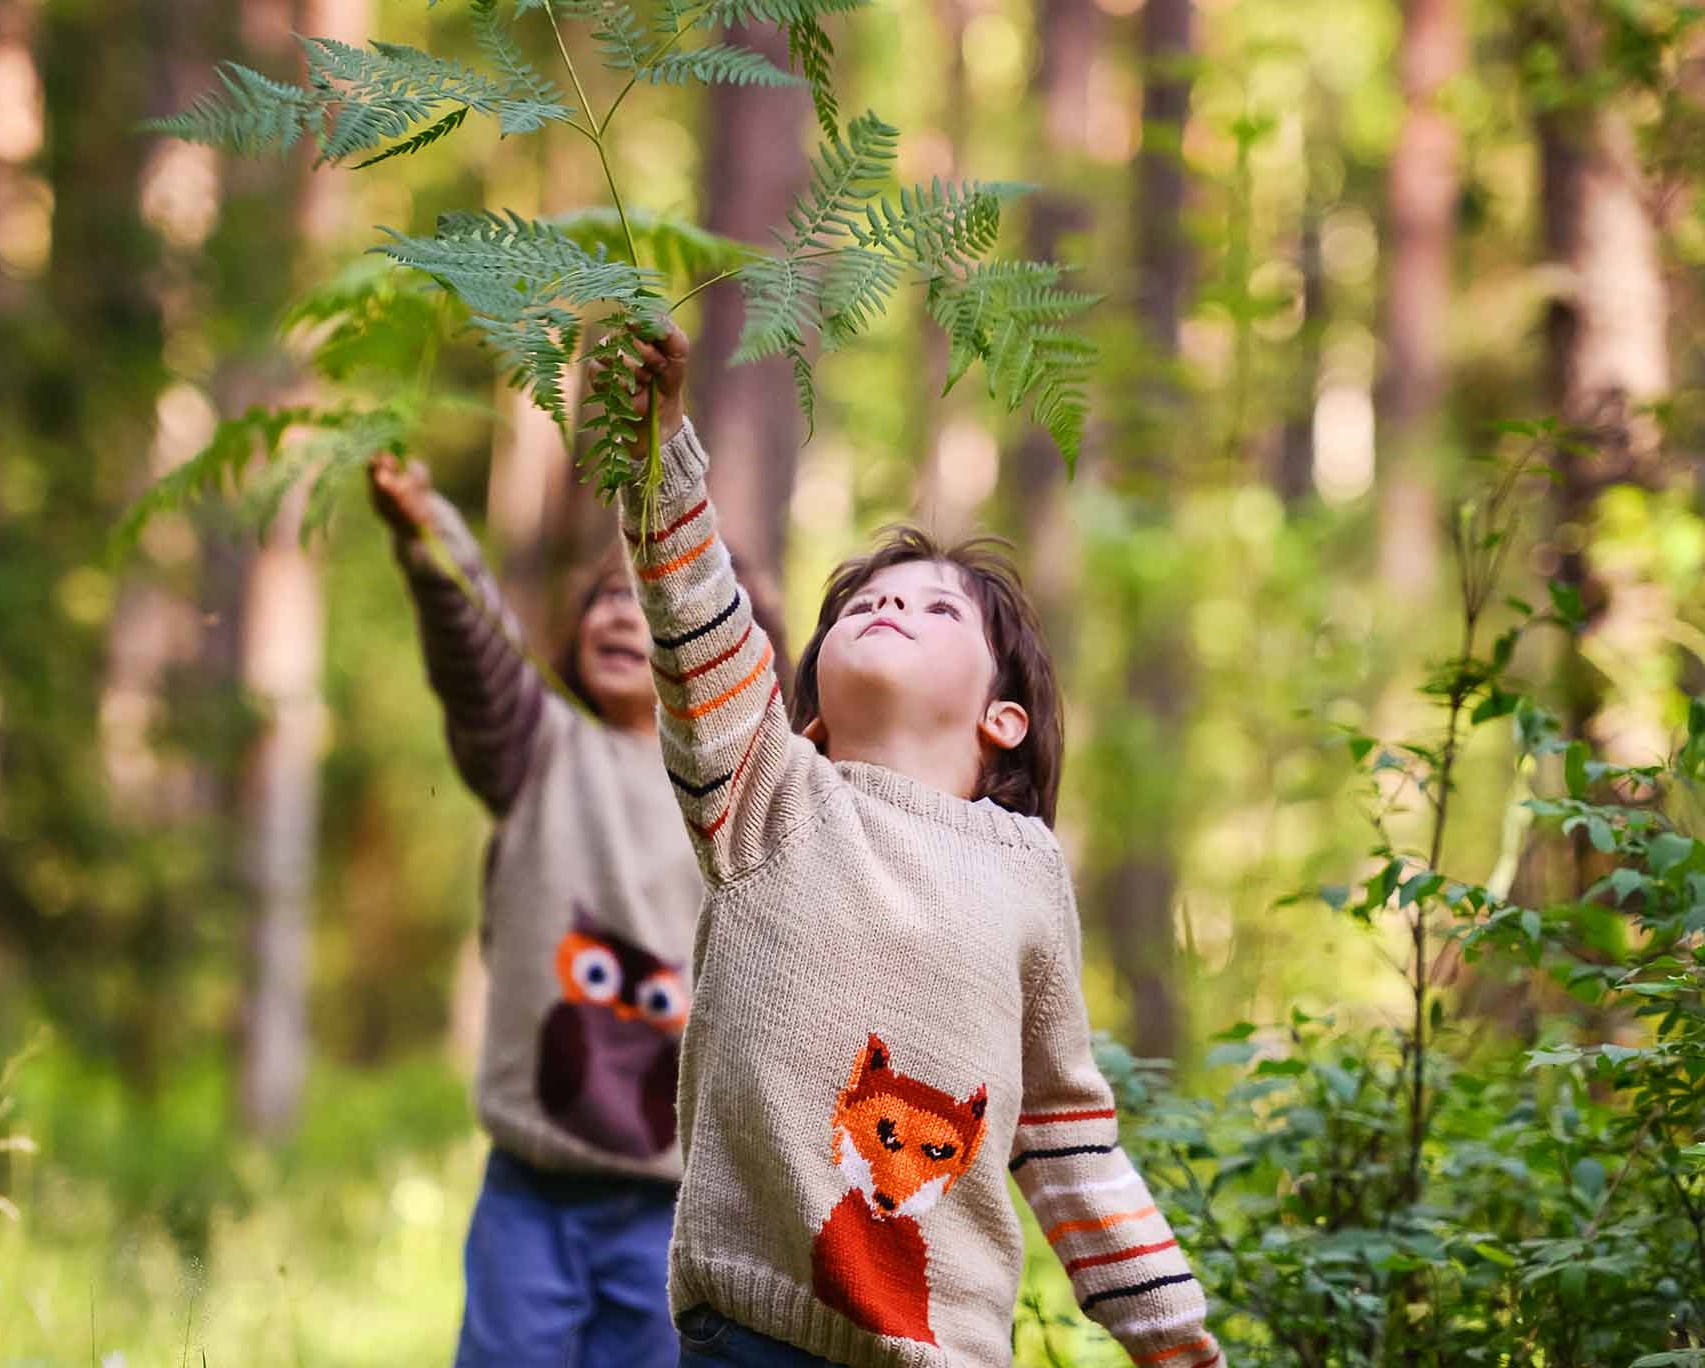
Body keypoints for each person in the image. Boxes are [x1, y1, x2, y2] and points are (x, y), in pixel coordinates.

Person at [595, 328, 1225, 1368]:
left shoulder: (1024, 872)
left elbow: (1067, 1134)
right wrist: (660, 447)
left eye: (938, 609)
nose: (890, 604)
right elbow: (698, 623)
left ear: (1002, 720)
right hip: (751, 1331)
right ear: (807, 716)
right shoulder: (768, 795)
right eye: (866, 603)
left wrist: (1172, 1341)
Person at [369, 452, 701, 1367]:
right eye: (602, 596)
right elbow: (475, 654)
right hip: (531, 1190)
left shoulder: (733, 799)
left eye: (647, 598)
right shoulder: (537, 749)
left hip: (668, 1207)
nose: (618, 613)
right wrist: (430, 532)